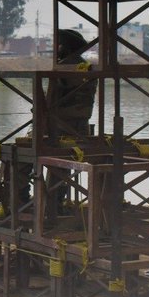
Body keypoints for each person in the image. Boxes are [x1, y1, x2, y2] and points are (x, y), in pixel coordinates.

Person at [46, 29, 96, 217]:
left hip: (59, 128)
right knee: (64, 169)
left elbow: (51, 100)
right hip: (81, 127)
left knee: (53, 167)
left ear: (64, 47)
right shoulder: (86, 67)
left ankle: (49, 207)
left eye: (56, 44)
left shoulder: (64, 67)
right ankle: (56, 204)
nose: (54, 48)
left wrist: (40, 111)